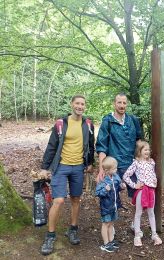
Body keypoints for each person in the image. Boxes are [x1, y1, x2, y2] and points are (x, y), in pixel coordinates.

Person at [39, 95, 95, 255]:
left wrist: (90, 163)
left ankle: (73, 229)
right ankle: (50, 235)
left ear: (85, 106)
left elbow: (91, 144)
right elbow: (52, 146)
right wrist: (44, 167)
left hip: (78, 167)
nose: (80, 106)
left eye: (82, 104)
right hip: (61, 166)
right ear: (72, 105)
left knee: (76, 199)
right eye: (77, 103)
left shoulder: (88, 124)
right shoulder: (61, 123)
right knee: (59, 200)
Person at [96, 93, 143, 197]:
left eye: (124, 103)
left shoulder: (133, 120)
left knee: (137, 195)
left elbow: (138, 142)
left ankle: (136, 214)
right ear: (114, 104)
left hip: (131, 165)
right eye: (119, 102)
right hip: (113, 166)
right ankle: (113, 213)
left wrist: (142, 162)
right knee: (111, 197)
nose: (122, 105)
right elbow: (102, 147)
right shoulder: (108, 121)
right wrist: (101, 169)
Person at [123, 141, 162, 247]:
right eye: (145, 149)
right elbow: (126, 176)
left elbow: (153, 174)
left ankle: (154, 234)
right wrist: (134, 185)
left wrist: (155, 180)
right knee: (138, 213)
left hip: (151, 190)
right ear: (139, 151)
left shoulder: (152, 162)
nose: (148, 151)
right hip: (142, 190)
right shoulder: (136, 162)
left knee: (151, 212)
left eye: (149, 150)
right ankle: (137, 235)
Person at [95, 156, 122, 253]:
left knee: (111, 223)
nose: (116, 169)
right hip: (106, 207)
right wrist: (105, 190)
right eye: (114, 168)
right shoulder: (103, 181)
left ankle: (111, 241)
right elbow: (97, 193)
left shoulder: (116, 177)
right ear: (107, 170)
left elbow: (117, 188)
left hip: (114, 205)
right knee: (105, 224)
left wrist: (121, 186)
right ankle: (105, 244)